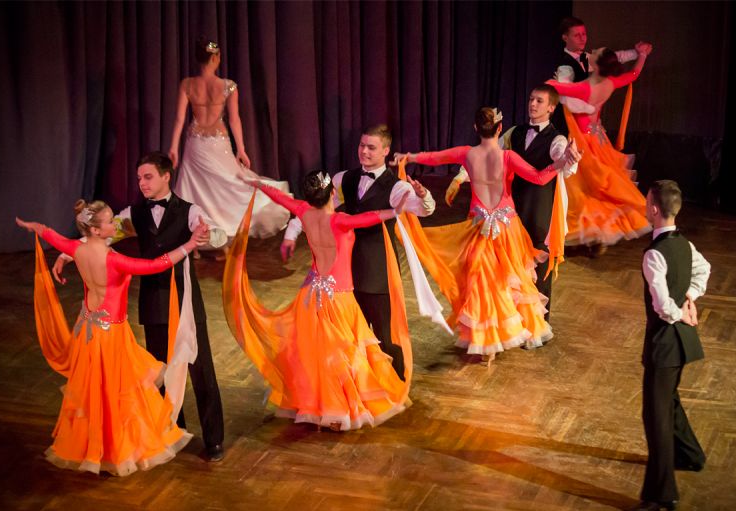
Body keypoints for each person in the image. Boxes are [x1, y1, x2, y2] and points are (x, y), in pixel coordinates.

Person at [52, 152, 227, 461]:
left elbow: (217, 236)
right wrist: (67, 254)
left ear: (166, 176)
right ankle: (170, 430)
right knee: (158, 370)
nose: (142, 183)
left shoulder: (190, 211)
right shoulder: (134, 213)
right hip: (152, 299)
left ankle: (213, 439)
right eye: (139, 178)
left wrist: (207, 234)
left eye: (148, 177)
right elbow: (99, 238)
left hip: (183, 298)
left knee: (200, 369)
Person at [16, 199, 208, 475]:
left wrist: (34, 227)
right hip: (111, 335)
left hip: (86, 331)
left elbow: (50, 234)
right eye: (109, 222)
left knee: (96, 393)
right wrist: (189, 245)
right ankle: (115, 450)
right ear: (96, 230)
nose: (114, 224)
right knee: (115, 393)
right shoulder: (114, 260)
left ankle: (98, 447)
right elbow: (156, 265)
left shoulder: (76, 249)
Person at [225, 170, 412, 431]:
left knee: (318, 355)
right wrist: (395, 211)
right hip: (339, 297)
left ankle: (322, 406)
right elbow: (369, 218)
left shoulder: (303, 212)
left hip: (311, 295)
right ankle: (339, 410)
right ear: (332, 193)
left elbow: (279, 196)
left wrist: (256, 182)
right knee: (340, 355)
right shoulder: (340, 220)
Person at [393, 107, 579, 362]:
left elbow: (435, 157)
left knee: (484, 282)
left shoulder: (467, 154)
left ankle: (488, 340)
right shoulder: (508, 156)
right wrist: (561, 162)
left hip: (480, 226)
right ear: (500, 128)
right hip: (508, 228)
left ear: (475, 128)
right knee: (508, 280)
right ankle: (507, 332)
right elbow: (538, 178)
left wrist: (408, 156)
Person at [280, 124, 435, 381]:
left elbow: (423, 209)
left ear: (385, 150)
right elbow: (314, 209)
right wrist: (291, 233)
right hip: (346, 274)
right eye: (362, 145)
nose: (364, 151)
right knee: (350, 336)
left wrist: (424, 195)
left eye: (371, 147)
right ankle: (358, 387)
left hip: (377, 273)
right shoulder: (344, 178)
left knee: (385, 337)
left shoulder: (396, 187)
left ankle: (395, 385)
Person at [446, 85, 578, 323]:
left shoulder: (556, 139)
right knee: (512, 268)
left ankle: (540, 325)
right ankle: (514, 322)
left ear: (551, 107)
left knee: (539, 265)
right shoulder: (515, 132)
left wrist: (569, 159)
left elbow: (562, 159)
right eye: (531, 99)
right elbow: (487, 154)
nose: (533, 104)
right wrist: (459, 178)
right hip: (511, 210)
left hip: (539, 208)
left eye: (539, 101)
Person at [628, 180, 710, 511]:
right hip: (682, 343)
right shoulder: (685, 244)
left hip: (664, 344)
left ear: (654, 210)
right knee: (669, 401)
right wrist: (690, 297)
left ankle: (661, 496)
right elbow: (704, 270)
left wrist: (681, 312)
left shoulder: (654, 255)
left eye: (646, 202)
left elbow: (662, 307)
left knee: (655, 417)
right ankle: (691, 455)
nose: (645, 206)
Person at [169, 37, 289, 256]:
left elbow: (179, 119)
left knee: (195, 191)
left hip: (196, 144)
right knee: (225, 188)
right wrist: (241, 149)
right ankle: (218, 239)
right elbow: (234, 120)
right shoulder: (227, 86)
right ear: (216, 58)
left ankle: (197, 245)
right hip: (218, 143)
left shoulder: (188, 84)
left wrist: (173, 148)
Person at [547, 43, 654, 251]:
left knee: (582, 190)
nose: (592, 51)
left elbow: (558, 90)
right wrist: (641, 55)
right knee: (595, 189)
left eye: (595, 53)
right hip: (597, 138)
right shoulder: (610, 82)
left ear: (596, 65)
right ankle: (594, 237)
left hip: (583, 142)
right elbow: (633, 74)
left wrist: (558, 80)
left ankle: (589, 233)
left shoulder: (587, 87)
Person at [553, 16, 644, 136]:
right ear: (565, 37)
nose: (582, 39)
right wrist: (591, 109)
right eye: (577, 35)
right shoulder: (565, 66)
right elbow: (566, 99)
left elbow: (611, 58)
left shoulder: (585, 58)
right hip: (572, 127)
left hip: (588, 126)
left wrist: (637, 52)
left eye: (584, 34)